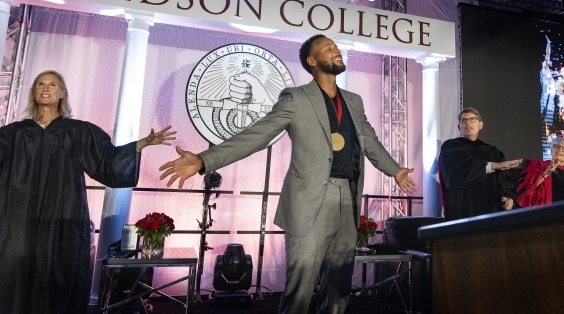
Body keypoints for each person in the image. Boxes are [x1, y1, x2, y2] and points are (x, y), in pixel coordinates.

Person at [158, 35, 416, 314]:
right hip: (309, 202)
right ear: (312, 61)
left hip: (348, 198)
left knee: (339, 291)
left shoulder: (353, 101)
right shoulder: (296, 98)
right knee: (300, 292)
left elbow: (371, 142)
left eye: (336, 47)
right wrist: (204, 160)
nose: (336, 50)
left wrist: (395, 170)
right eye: (328, 48)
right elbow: (255, 136)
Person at [0, 70, 176, 314]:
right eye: (40, 84)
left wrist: (143, 142)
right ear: (34, 92)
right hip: (20, 220)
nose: (45, 88)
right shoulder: (14, 133)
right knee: (15, 271)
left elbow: (109, 160)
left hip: (62, 216)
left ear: (62, 93)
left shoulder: (78, 131)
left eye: (52, 84)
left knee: (59, 272)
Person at [438, 108, 522, 221]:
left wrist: (506, 197)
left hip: (490, 212)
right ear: (459, 127)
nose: (468, 123)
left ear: (480, 125)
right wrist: (492, 166)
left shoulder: (493, 152)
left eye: (472, 119)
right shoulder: (451, 147)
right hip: (462, 211)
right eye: (463, 120)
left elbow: (503, 180)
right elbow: (454, 177)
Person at [517, 137, 564, 207]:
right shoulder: (538, 165)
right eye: (557, 146)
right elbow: (525, 187)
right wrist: (546, 173)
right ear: (552, 150)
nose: (560, 150)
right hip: (545, 213)